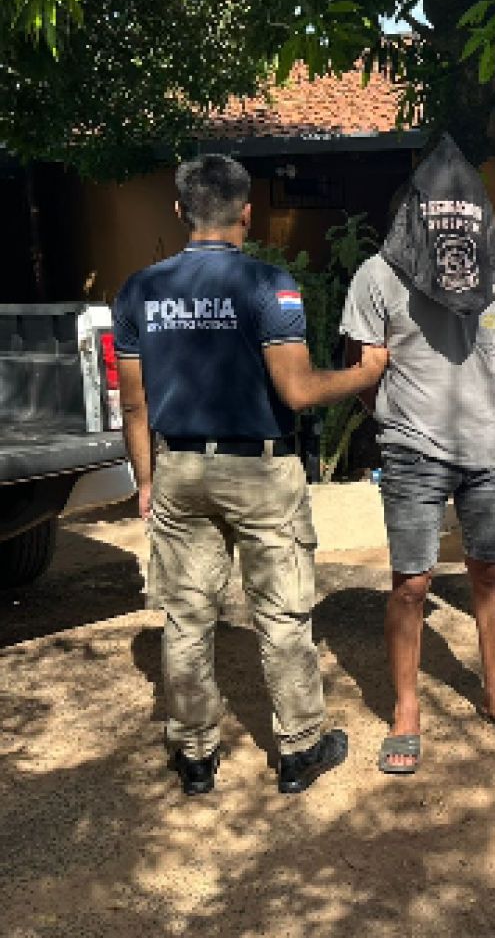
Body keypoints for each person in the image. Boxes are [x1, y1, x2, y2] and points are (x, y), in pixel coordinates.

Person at [114, 154, 388, 796]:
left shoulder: (138, 290)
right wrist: (363, 375)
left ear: (180, 212)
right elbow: (295, 391)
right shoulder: (269, 285)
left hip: (178, 465)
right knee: (282, 616)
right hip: (259, 471)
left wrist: (147, 479)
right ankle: (298, 751)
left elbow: (134, 402)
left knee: (186, 619)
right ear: (246, 211)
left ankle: (195, 757)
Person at [340, 136, 495, 776]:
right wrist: (401, 421)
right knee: (413, 583)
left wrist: (477, 408)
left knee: (490, 573)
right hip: (410, 451)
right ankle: (406, 712)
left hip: (486, 451)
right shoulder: (378, 275)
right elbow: (362, 369)